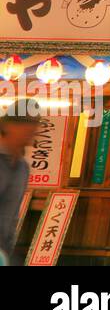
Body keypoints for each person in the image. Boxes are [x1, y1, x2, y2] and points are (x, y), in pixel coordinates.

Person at [0, 100, 41, 265]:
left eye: (35, 123)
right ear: (7, 125)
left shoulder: (22, 168)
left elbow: (12, 217)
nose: (32, 129)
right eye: (26, 122)